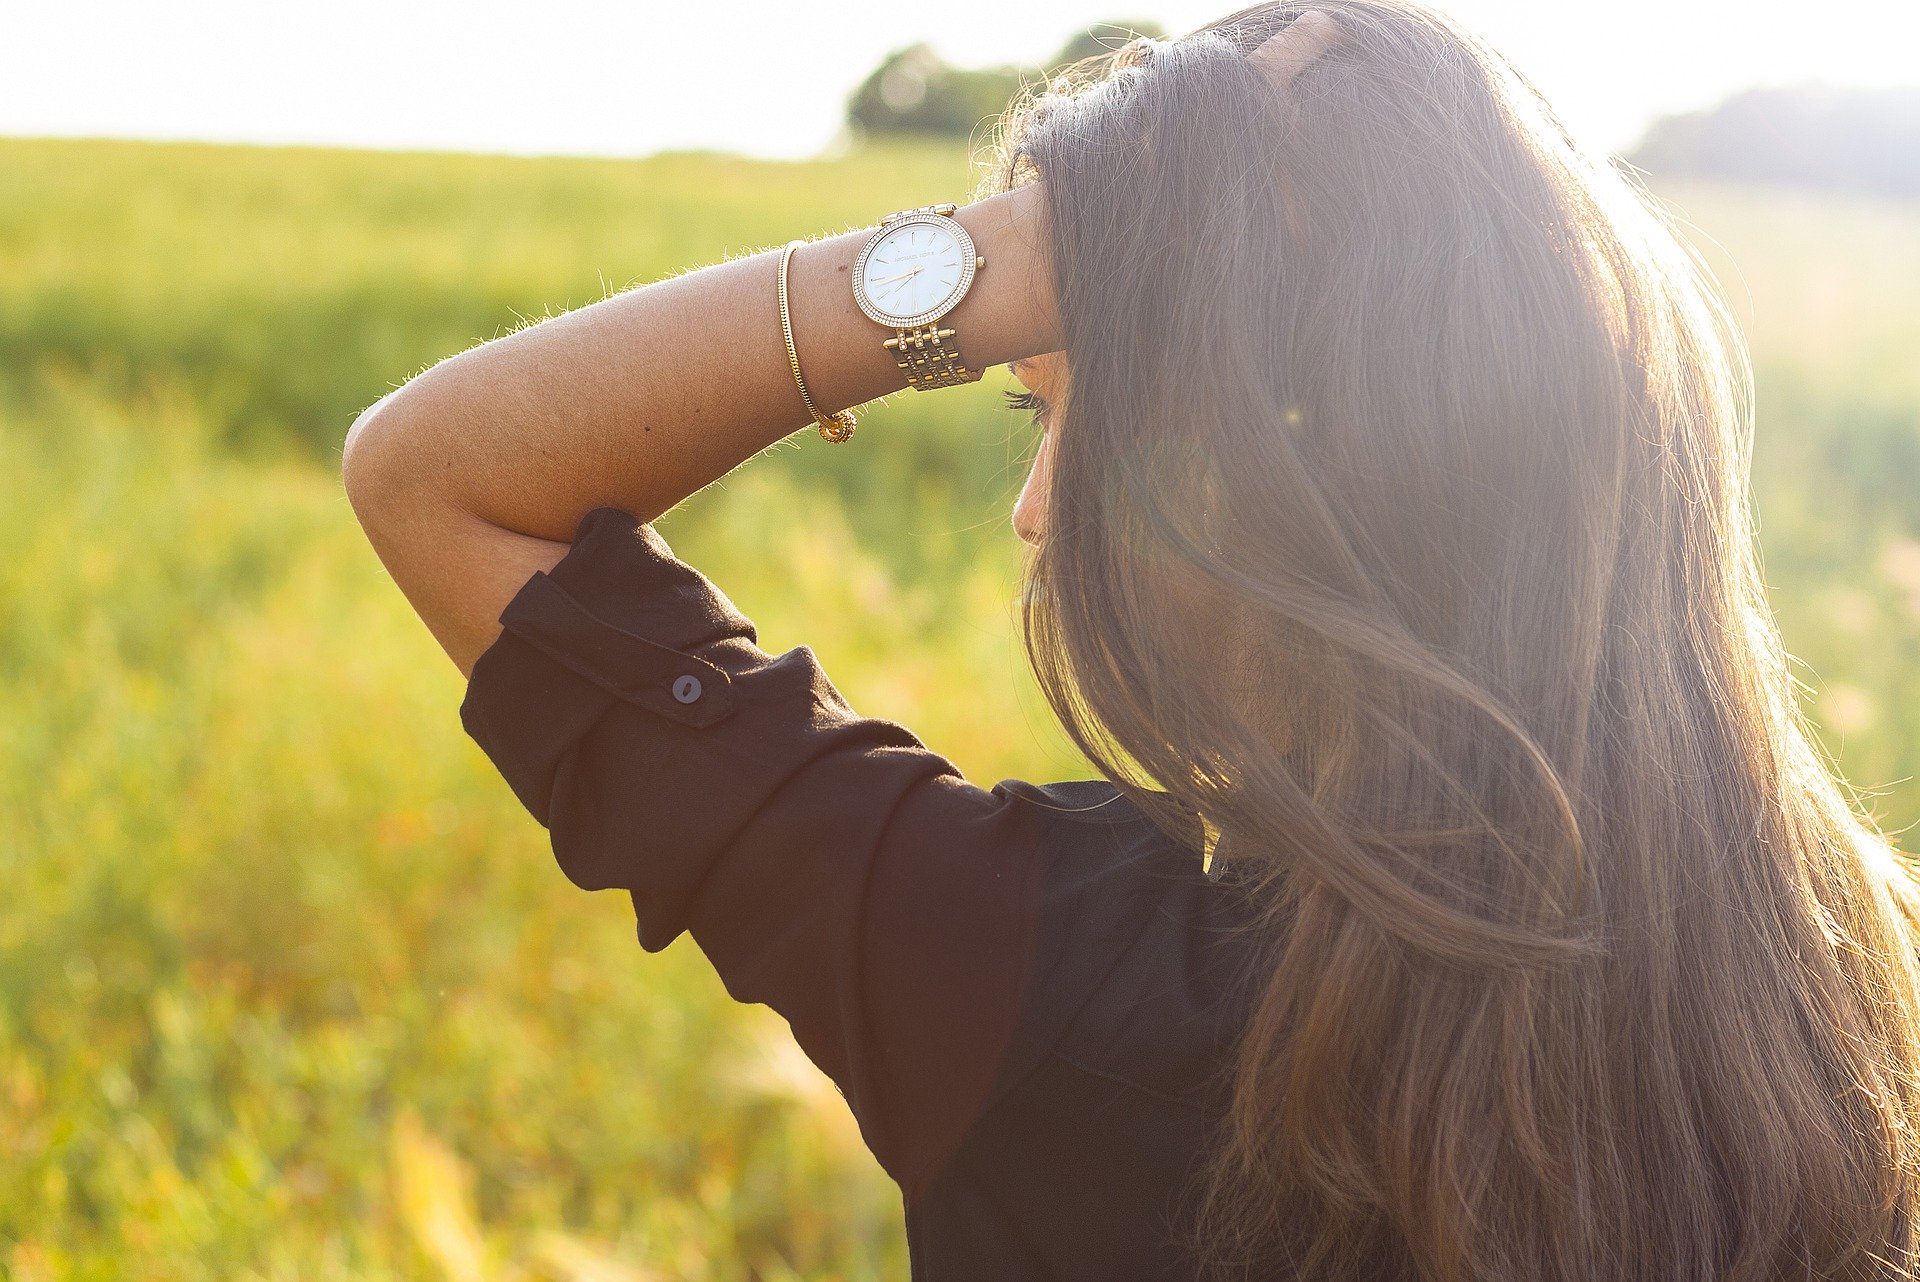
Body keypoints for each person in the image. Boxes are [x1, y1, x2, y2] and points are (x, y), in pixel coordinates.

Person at [341, 2, 1920, 1278]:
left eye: (1084, 418)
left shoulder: (1047, 985)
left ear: (1314, 464)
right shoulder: (1851, 980)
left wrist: (1012, 257)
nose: (1038, 511)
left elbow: (443, 478)